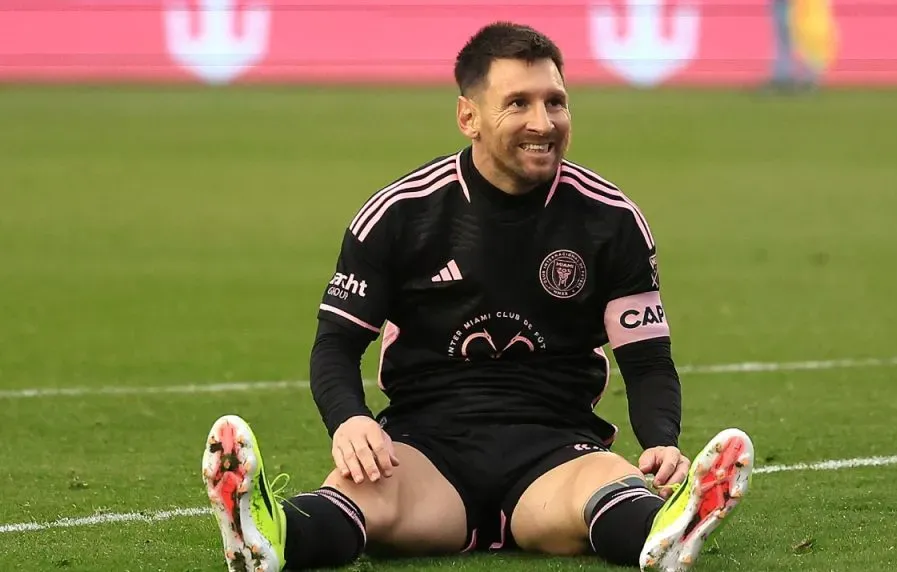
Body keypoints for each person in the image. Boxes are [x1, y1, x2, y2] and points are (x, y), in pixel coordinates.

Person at [200, 21, 754, 572]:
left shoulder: (611, 221)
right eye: (518, 103)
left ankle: (667, 531)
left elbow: (648, 359)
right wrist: (350, 420)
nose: (544, 122)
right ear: (469, 117)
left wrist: (660, 440)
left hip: (557, 451)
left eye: (556, 102)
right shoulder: (401, 215)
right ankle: (266, 536)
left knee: (612, 484)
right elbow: (335, 347)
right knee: (359, 492)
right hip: (424, 451)